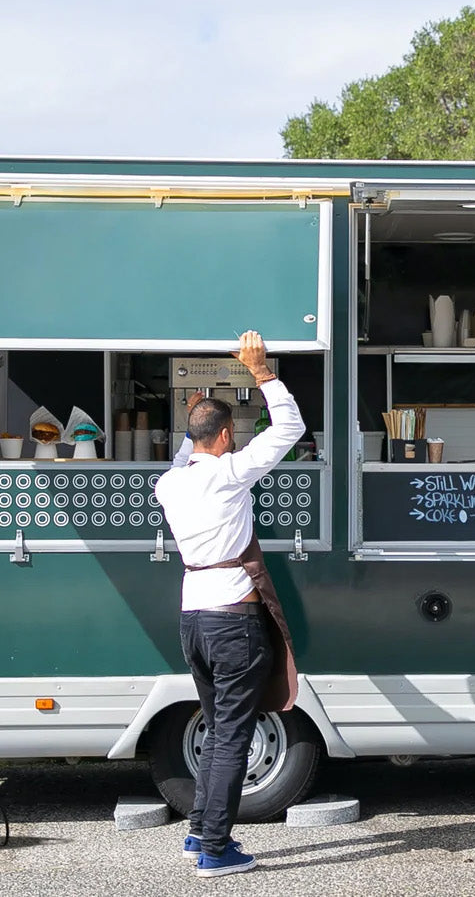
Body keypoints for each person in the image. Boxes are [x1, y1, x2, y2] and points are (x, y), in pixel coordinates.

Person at [153, 331, 305, 879]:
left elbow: (186, 450)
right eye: (231, 435)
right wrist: (261, 372)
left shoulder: (170, 484)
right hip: (233, 620)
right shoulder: (229, 473)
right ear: (225, 436)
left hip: (193, 617)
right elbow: (291, 429)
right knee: (231, 737)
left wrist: (198, 411)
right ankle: (215, 849)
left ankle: (200, 835)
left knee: (218, 731)